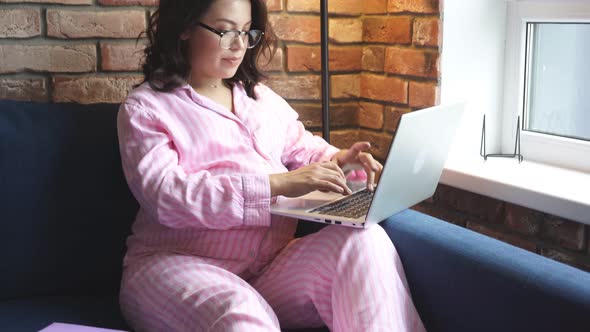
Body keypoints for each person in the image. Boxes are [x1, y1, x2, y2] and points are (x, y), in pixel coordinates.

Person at [117, 0, 426, 331]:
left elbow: (302, 148)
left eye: (246, 31)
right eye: (225, 31)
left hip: (268, 271)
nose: (239, 45)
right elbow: (168, 197)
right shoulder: (146, 110)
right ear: (185, 27)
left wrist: (340, 161)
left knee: (365, 240)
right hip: (176, 266)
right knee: (242, 315)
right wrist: (277, 184)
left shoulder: (261, 99)